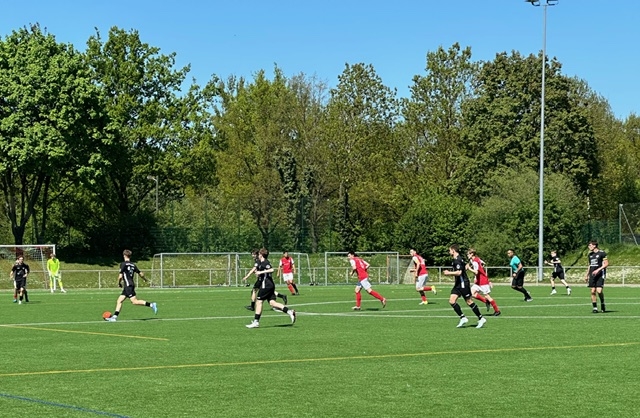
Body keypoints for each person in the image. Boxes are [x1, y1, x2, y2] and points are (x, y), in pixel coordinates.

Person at [246, 248, 296, 328]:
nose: (258, 255)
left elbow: (271, 269)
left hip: (266, 285)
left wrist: (261, 272)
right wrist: (258, 273)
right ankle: (289, 311)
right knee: (272, 303)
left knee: (259, 302)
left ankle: (256, 322)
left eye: (259, 254)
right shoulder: (260, 262)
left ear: (261, 255)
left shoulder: (265, 262)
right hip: (270, 285)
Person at [105, 249, 157, 321]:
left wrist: (119, 283)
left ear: (124, 255)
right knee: (119, 300)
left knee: (134, 301)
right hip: (130, 284)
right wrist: (145, 279)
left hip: (128, 285)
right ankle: (114, 317)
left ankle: (151, 305)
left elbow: (120, 276)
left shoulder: (123, 264)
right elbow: (141, 273)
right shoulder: (133, 264)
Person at [443, 245, 486, 328]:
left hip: (463, 284)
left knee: (469, 301)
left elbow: (459, 272)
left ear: (453, 250)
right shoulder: (457, 259)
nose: (449, 252)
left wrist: (449, 273)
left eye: (450, 250)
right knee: (452, 301)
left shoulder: (458, 260)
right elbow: (464, 267)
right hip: (458, 284)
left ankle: (481, 318)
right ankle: (463, 318)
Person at [466, 248, 501, 316]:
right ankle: (486, 301)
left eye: (468, 254)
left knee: (487, 296)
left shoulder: (475, 261)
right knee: (471, 293)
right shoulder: (475, 259)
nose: (467, 255)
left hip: (483, 281)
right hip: (478, 281)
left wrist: (469, 268)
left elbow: (476, 272)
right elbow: (483, 264)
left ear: (472, 254)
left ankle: (497, 311)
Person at [585, 240, 608, 313]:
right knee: (592, 291)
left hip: (600, 274)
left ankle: (602, 303)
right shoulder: (590, 255)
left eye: (590, 245)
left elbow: (606, 264)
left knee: (599, 291)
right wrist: (586, 275)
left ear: (594, 245)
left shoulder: (602, 253)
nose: (589, 247)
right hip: (592, 275)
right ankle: (595, 308)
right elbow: (590, 265)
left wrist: (598, 270)